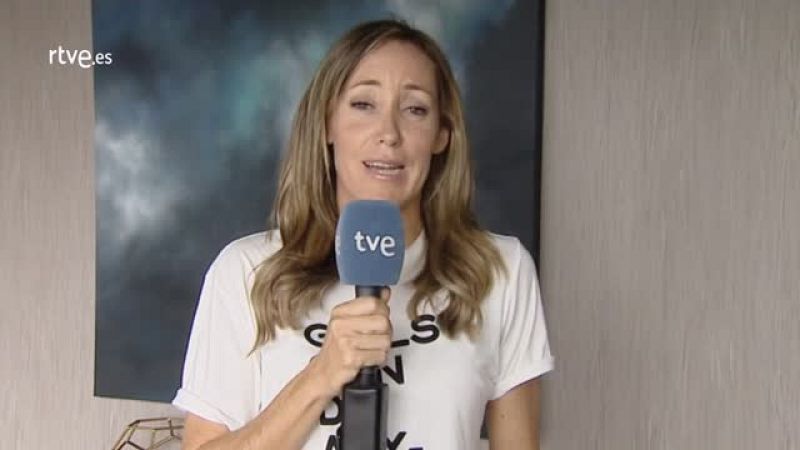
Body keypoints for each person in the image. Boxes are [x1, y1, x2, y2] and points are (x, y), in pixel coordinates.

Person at [172, 18, 554, 450]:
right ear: (327, 124)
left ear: (442, 135)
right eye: (363, 104)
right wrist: (322, 374)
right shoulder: (245, 271)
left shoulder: (500, 272)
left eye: (415, 109)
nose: (388, 134)